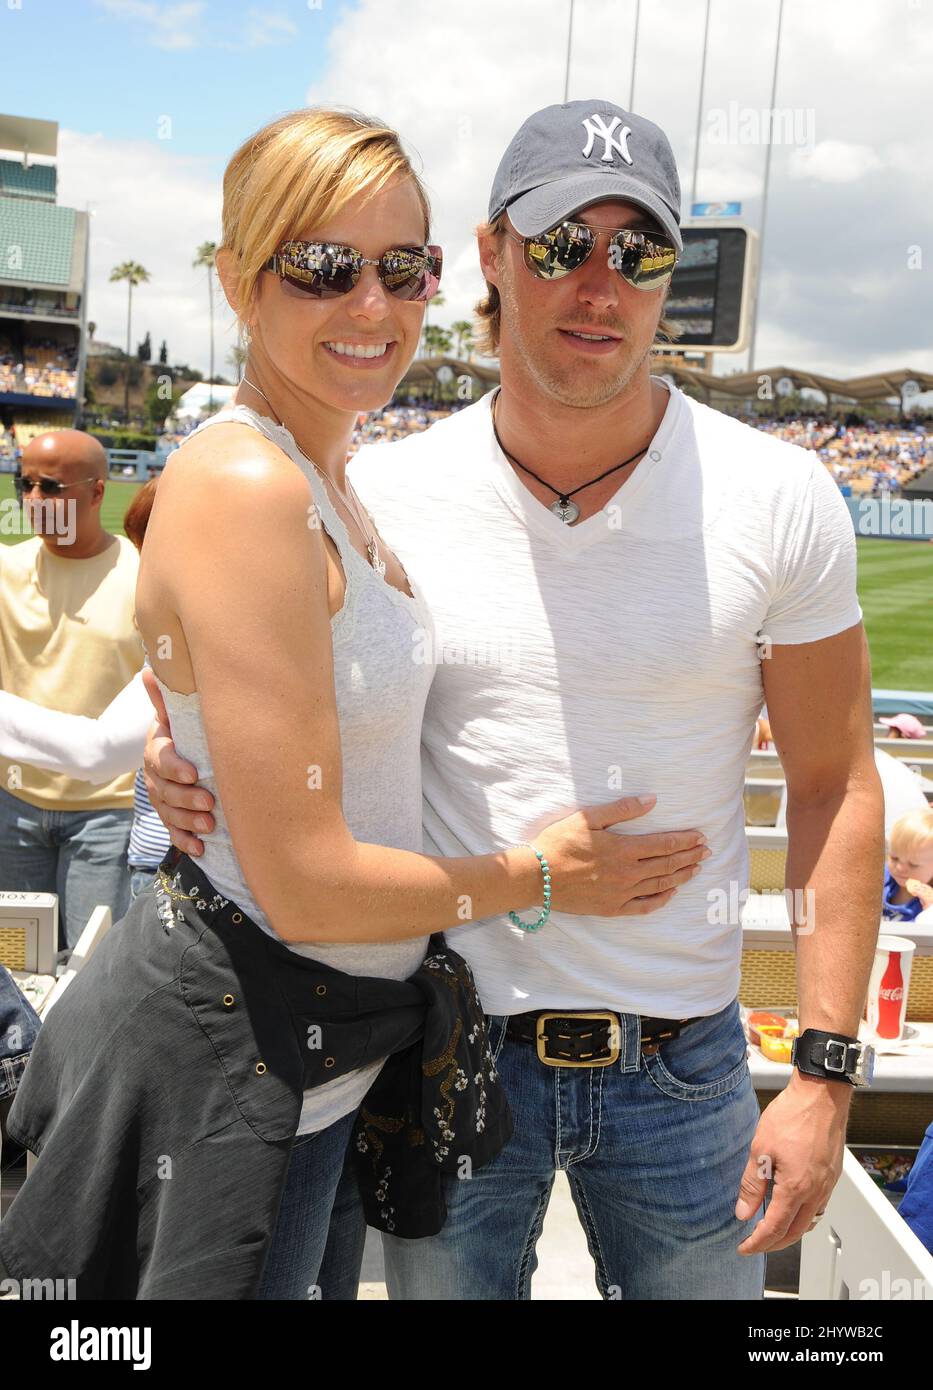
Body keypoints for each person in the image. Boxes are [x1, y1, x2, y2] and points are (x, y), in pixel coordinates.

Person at [147, 98, 885, 1301]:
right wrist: (179, 758)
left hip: (685, 1064)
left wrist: (826, 1068)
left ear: (673, 273)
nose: (600, 285)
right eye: (560, 245)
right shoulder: (378, 487)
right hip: (446, 1049)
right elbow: (249, 665)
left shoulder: (781, 494)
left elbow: (834, 782)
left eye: (638, 250)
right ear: (490, 258)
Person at [0, 107, 703, 1302]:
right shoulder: (245, 483)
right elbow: (306, 879)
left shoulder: (330, 473)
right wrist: (542, 875)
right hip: (227, 1056)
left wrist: (175, 738)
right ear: (237, 278)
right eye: (321, 266)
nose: (372, 304)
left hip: (318, 1062)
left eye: (402, 267)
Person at [0, 429, 143, 949]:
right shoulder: (6, 569)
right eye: (26, 485)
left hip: (107, 813)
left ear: (98, 492)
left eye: (52, 488)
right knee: (17, 964)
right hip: (12, 805)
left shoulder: (144, 577)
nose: (34, 501)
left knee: (94, 968)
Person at [882, 808, 933, 923]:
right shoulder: (881, 878)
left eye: (913, 865)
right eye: (894, 858)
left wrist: (930, 910)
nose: (899, 868)